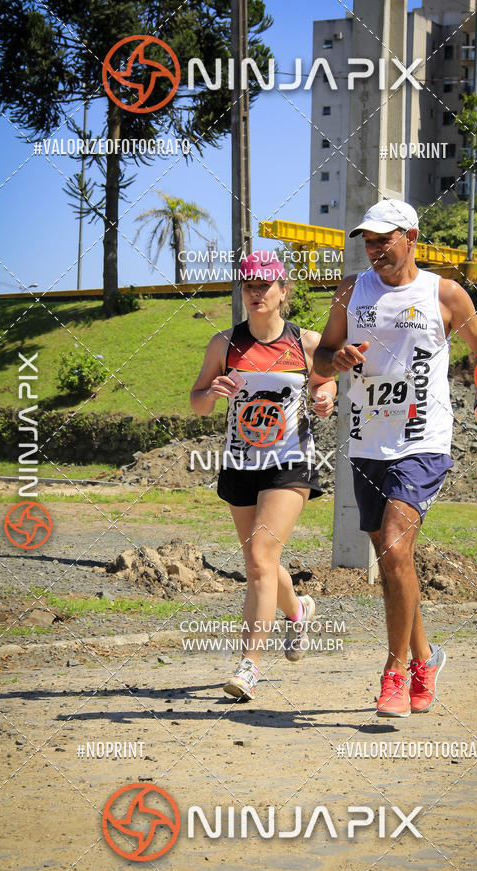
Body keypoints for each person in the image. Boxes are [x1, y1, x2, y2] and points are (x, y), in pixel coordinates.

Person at [313, 199, 477, 717]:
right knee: (397, 563)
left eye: (383, 240)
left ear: (410, 236)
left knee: (393, 551)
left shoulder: (443, 293)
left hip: (424, 441)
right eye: (367, 242)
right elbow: (322, 357)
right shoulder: (352, 292)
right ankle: (425, 659)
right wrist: (336, 362)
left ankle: (393, 673)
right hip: (366, 444)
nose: (373, 250)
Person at [190, 250, 337, 701]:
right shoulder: (224, 344)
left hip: (290, 462)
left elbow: (325, 381)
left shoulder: (306, 343)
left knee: (258, 559)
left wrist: (325, 396)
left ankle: (248, 665)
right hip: (240, 463)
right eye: (249, 285)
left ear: (283, 291)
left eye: (265, 285)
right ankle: (298, 613)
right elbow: (196, 401)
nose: (256, 292)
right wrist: (211, 393)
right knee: (263, 562)